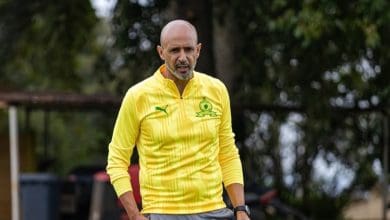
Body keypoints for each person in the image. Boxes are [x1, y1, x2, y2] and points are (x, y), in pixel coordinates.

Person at [106, 19, 250, 220]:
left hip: (214, 211)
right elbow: (116, 161)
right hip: (161, 212)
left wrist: (240, 209)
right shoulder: (138, 96)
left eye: (188, 49)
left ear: (198, 50)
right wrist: (134, 214)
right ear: (161, 52)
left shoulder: (216, 90)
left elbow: (227, 153)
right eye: (174, 50)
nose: (183, 57)